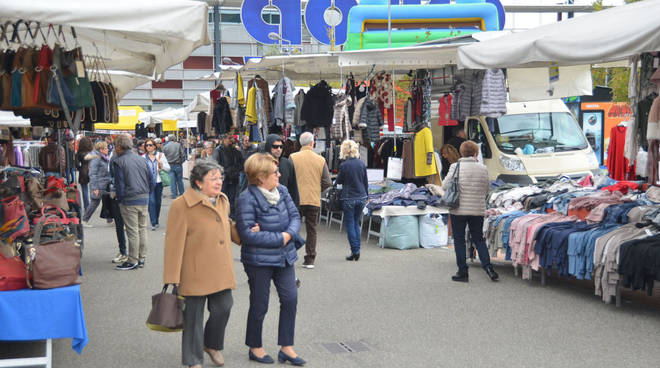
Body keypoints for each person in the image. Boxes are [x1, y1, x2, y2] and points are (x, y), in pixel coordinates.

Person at [164, 159, 235, 368]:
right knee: (193, 317)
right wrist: (172, 277)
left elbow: (226, 225)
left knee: (224, 306)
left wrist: (242, 233)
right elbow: (173, 243)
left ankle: (211, 345)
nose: (219, 182)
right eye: (213, 178)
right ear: (198, 182)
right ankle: (193, 359)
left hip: (220, 269)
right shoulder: (181, 205)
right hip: (193, 270)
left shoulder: (222, 200)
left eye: (220, 177)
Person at [236, 153, 306, 366]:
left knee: (290, 299)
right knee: (260, 304)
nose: (279, 174)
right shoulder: (246, 198)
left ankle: (286, 347)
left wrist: (285, 235)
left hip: (285, 256)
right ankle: (255, 347)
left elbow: (295, 217)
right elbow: (247, 234)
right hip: (258, 261)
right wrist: (281, 236)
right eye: (274, 172)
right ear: (260, 177)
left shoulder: (282, 191)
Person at [442, 140, 499, 282]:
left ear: (461, 153)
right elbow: (487, 190)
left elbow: (444, 186)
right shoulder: (483, 168)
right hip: (477, 210)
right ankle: (489, 268)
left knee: (459, 240)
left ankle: (462, 272)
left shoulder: (455, 167)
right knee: (478, 239)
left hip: (458, 210)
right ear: (475, 153)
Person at [112, 134, 155, 270]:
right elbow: (152, 179)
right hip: (144, 197)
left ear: (119, 146)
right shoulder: (142, 159)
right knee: (142, 229)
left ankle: (132, 260)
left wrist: (120, 198)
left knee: (132, 231)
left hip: (129, 199)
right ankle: (141, 258)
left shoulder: (119, 161)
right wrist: (148, 192)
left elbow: (120, 184)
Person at [289, 132, 332, 269]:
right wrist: (316, 189)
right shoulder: (320, 159)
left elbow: (288, 178)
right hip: (313, 199)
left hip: (296, 199)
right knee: (312, 229)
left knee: (293, 228)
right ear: (312, 143)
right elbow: (327, 182)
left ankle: (289, 255)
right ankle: (310, 258)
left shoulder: (293, 158)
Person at [335, 140, 368, 261]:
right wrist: (367, 196)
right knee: (356, 223)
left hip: (349, 198)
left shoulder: (344, 165)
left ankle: (355, 251)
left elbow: (339, 181)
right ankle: (357, 250)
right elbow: (365, 182)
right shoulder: (361, 163)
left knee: (350, 224)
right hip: (361, 197)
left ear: (344, 150)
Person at [82, 141, 113, 227]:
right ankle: (84, 220)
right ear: (101, 149)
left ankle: (109, 219)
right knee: (95, 202)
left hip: (105, 182)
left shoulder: (103, 157)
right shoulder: (97, 158)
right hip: (98, 184)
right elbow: (92, 173)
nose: (108, 149)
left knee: (108, 200)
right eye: (106, 148)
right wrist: (95, 188)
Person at [213, 134, 244, 218]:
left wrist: (235, 170)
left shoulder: (235, 151)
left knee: (232, 200)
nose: (231, 140)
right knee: (222, 199)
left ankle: (231, 218)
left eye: (232, 138)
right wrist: (225, 172)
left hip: (233, 179)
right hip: (223, 180)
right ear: (224, 139)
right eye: (229, 138)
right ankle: (221, 217)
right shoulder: (218, 150)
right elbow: (215, 165)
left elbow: (241, 163)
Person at [264, 134, 299, 206]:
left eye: (281, 147)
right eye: (275, 147)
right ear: (269, 147)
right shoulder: (260, 163)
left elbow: (293, 188)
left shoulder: (287, 164)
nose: (279, 149)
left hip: (283, 206)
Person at [143, 138, 170, 231]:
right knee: (152, 202)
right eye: (147, 145)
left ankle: (156, 220)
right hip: (148, 183)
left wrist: (161, 166)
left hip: (158, 182)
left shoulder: (160, 155)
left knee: (158, 202)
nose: (148, 147)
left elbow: (168, 168)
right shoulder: (143, 157)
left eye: (150, 145)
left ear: (154, 146)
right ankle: (153, 222)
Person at [162, 135, 186, 199]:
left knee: (172, 181)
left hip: (170, 165)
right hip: (178, 164)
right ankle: (182, 193)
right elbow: (183, 155)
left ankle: (174, 194)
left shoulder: (165, 146)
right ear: (174, 139)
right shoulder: (178, 145)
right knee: (179, 180)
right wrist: (181, 162)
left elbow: (163, 157)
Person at [75, 136, 94, 211]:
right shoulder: (92, 153)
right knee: (92, 190)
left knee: (84, 190)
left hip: (83, 171)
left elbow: (76, 164)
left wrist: (80, 169)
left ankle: (87, 206)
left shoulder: (79, 153)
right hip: (92, 171)